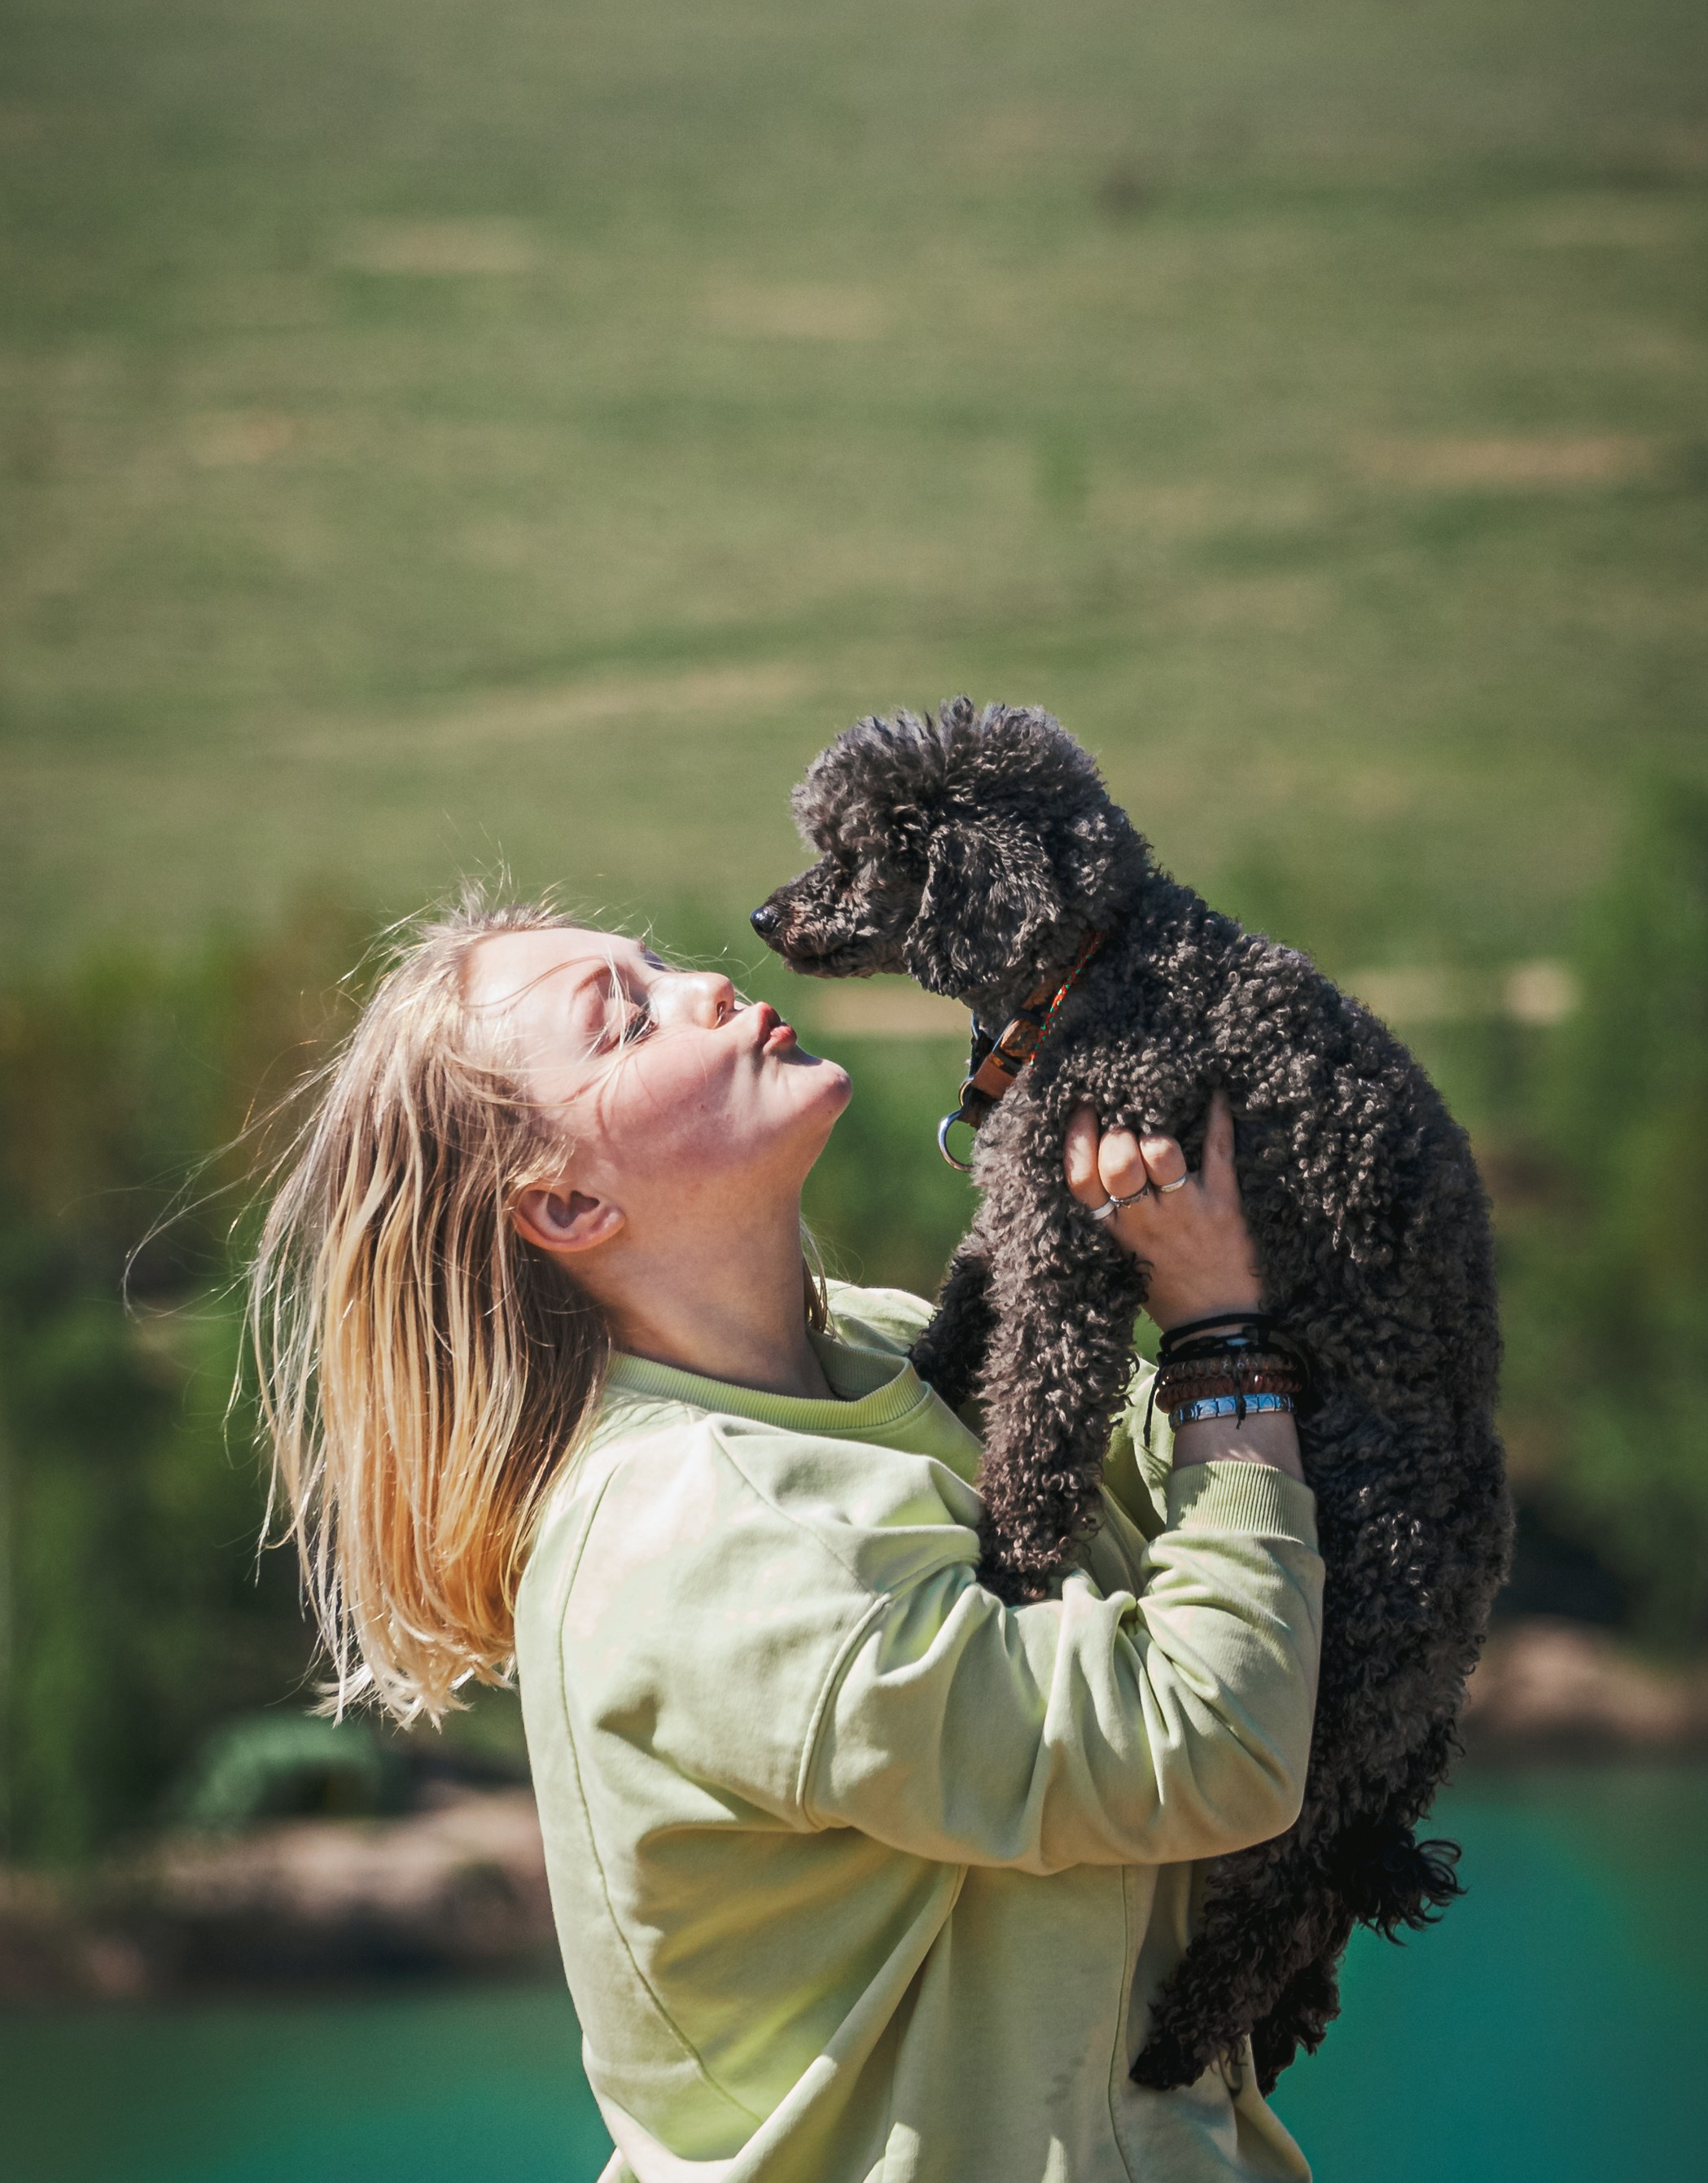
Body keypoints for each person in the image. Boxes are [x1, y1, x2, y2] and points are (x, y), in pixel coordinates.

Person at [253, 895, 1322, 2183]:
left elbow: (1229, 1511)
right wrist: (1214, 1332)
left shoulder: (869, 1345)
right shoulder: (701, 1532)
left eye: (659, 962)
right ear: (569, 1207)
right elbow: (1207, 1747)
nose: (703, 984)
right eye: (624, 1021)